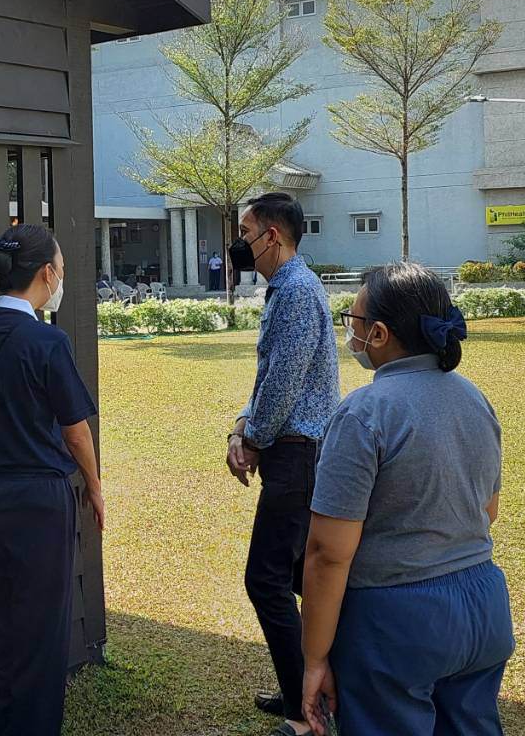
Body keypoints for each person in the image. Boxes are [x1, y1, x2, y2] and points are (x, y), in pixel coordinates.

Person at [301, 263, 512, 736]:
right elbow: (488, 511)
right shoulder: (474, 398)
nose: (349, 335)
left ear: (377, 334)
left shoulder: (363, 413)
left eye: (352, 323)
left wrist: (314, 658)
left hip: (396, 621)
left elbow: (327, 553)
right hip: (483, 606)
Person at [0, 224, 104, 736]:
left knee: (2, 632)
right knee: (42, 641)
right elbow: (75, 432)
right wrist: (96, 489)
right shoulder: (47, 340)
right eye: (61, 268)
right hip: (37, 499)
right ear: (46, 273)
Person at [224, 192, 340, 736]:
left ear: (272, 236)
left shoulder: (294, 291)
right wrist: (241, 427)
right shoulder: (287, 289)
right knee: (296, 574)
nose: (238, 243)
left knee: (266, 579)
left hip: (297, 453)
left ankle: (304, 712)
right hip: (292, 450)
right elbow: (268, 378)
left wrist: (252, 438)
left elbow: (285, 383)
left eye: (245, 231)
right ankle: (311, 687)